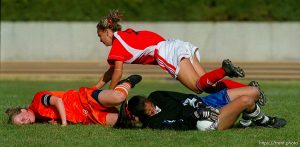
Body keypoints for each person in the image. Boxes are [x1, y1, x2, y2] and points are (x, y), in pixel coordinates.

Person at [95, 9, 249, 98]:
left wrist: (109, 94)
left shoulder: (117, 44)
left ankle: (225, 70)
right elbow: (110, 72)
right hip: (177, 44)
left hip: (166, 52)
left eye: (100, 36)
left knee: (197, 87)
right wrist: (95, 89)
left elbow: (117, 73)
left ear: (108, 31)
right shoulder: (126, 34)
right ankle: (248, 89)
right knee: (209, 86)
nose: (100, 41)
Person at [117, 81, 286, 131]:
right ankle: (265, 120)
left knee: (254, 92)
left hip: (205, 102)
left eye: (149, 106)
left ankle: (248, 119)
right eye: (148, 112)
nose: (152, 111)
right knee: (246, 101)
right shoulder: (153, 123)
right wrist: (197, 114)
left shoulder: (157, 95)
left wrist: (199, 105)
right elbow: (179, 125)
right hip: (204, 119)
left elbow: (183, 98)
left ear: (147, 100)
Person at [5, 75, 142, 126]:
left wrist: (63, 123)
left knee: (119, 97)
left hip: (84, 99)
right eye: (22, 125)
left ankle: (127, 82)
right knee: (125, 122)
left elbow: (58, 101)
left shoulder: (38, 100)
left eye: (22, 119)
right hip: (86, 116)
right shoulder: (39, 118)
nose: (26, 122)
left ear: (23, 110)